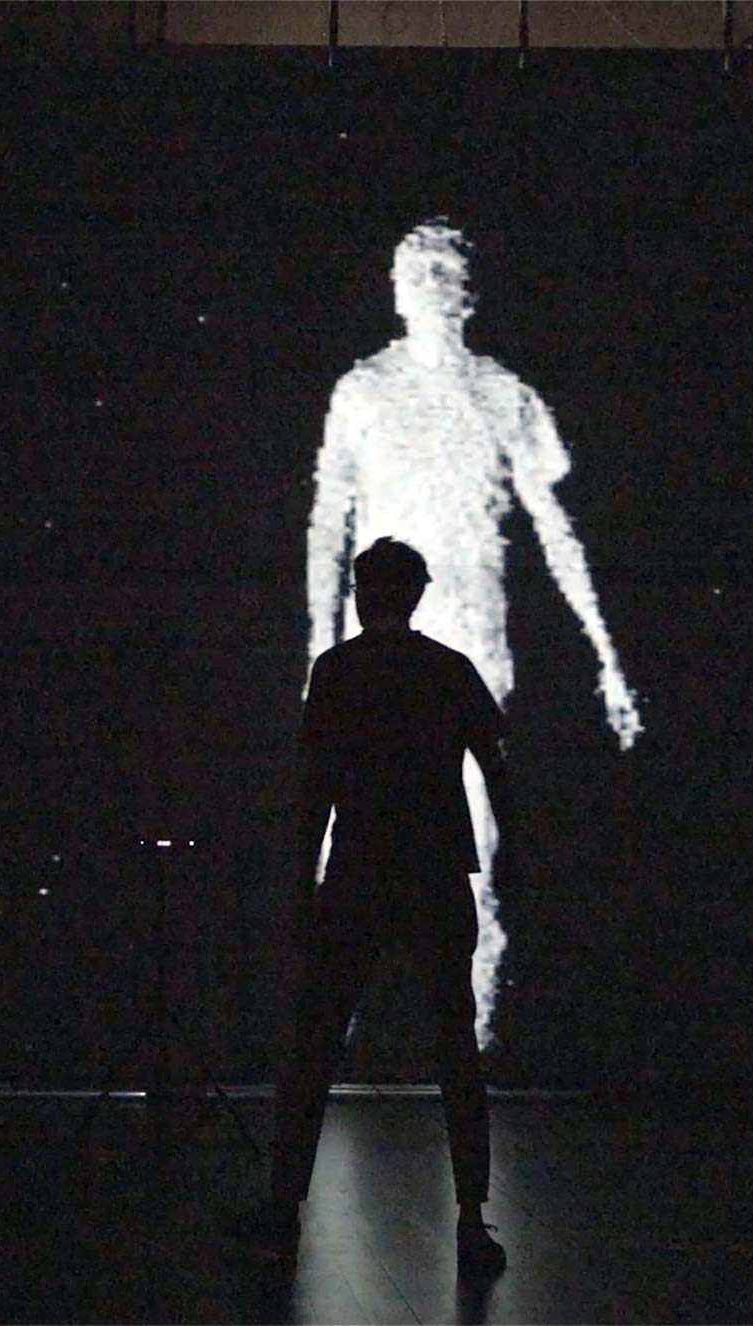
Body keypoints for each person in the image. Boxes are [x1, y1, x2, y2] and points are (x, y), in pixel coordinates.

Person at [307, 220, 640, 1050]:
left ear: (468, 291)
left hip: (469, 637)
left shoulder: (503, 395)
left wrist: (606, 656)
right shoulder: (362, 392)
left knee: (472, 833)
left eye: (442, 270)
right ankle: (334, 1027)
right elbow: (327, 519)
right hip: (371, 647)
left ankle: (473, 1039)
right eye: (413, 269)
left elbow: (553, 523)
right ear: (395, 287)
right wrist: (320, 642)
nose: (427, 283)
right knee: (346, 825)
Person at [237, 537, 510, 1273]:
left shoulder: (338, 672)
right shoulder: (449, 670)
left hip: (358, 872)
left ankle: (283, 1210)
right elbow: (497, 765)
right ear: (416, 594)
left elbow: (314, 789)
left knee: (315, 1043)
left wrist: (301, 884)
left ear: (363, 594)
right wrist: (512, 856)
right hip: (434, 876)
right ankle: (471, 1219)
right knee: (455, 1048)